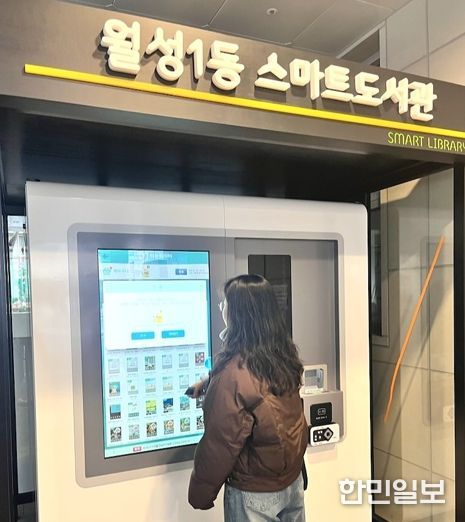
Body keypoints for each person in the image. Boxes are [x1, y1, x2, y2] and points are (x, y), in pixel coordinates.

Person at [188, 274, 308, 521]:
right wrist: (210, 381)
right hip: (292, 482)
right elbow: (262, 395)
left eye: (224, 304)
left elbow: (220, 444)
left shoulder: (233, 376)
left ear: (238, 314)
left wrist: (200, 494)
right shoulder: (283, 356)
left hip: (254, 493)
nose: (221, 308)